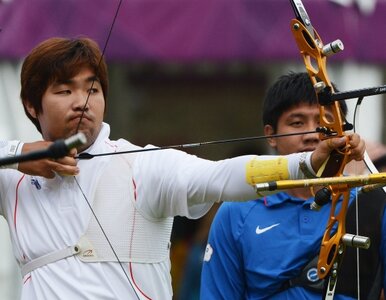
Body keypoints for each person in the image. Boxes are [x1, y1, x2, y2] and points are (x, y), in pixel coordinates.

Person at [0, 39, 365, 300]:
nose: (82, 102)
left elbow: (221, 176)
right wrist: (17, 153)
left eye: (92, 90)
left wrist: (307, 162)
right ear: (32, 106)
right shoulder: (11, 175)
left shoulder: (143, 166)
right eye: (64, 91)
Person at [200, 72, 385, 300]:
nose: (312, 135)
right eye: (297, 123)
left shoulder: (372, 203)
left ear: (342, 131)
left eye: (324, 122)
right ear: (271, 135)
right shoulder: (236, 212)